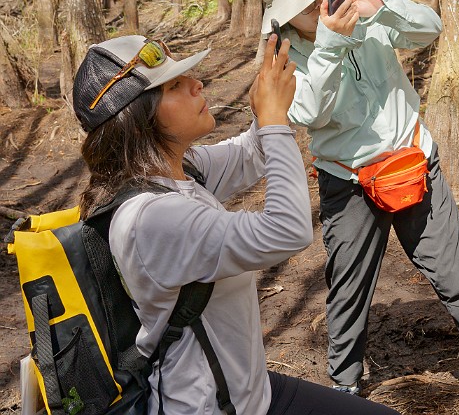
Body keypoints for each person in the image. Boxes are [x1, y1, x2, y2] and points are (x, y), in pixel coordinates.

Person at [252, 0, 459, 415]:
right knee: (348, 294)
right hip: (347, 183)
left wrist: (382, 6)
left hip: (412, 162)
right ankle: (344, 392)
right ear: (283, 13)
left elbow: (431, 29)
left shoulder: (360, 8)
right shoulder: (282, 52)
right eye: (303, 5)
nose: (317, 6)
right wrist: (331, 41)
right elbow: (307, 110)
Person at [72, 34, 399, 415]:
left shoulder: (179, 170)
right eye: (175, 85)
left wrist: (269, 102)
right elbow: (287, 231)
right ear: (138, 118)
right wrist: (274, 121)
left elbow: (251, 152)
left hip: (253, 393)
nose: (198, 84)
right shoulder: (151, 218)